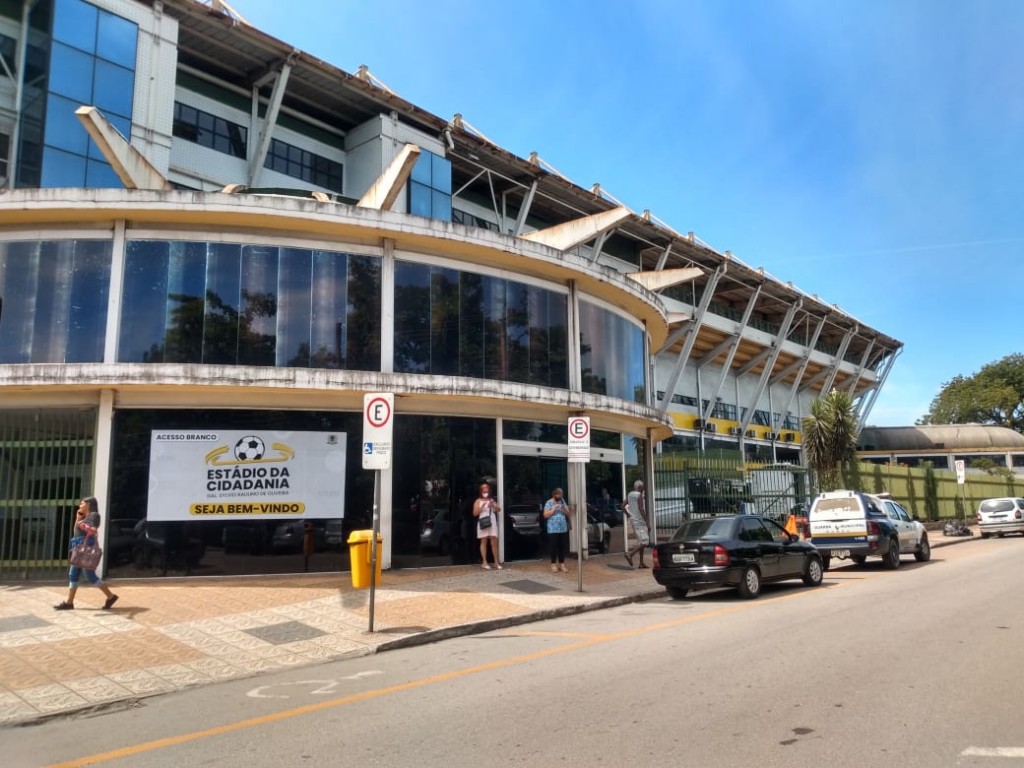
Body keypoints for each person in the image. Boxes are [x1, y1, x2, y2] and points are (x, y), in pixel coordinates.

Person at [54, 497, 119, 610]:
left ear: (89, 504)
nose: (80, 504)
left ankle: (111, 596)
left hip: (85, 548)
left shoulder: (94, 515)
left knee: (90, 576)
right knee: (73, 574)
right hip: (78, 547)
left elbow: (93, 529)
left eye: (83, 503)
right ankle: (69, 602)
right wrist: (78, 518)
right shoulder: (84, 516)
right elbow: (76, 529)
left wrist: (85, 526)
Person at [473, 481, 502, 570]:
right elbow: (474, 513)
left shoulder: (491, 500)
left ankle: (496, 562)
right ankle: (484, 562)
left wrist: (492, 504)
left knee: (494, 542)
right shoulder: (478, 500)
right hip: (483, 521)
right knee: (484, 541)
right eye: (483, 488)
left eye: (487, 488)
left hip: (492, 521)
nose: (485, 489)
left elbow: (499, 509)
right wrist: (482, 507)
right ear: (481, 490)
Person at [622, 480, 650, 568]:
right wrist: (647, 522)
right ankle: (630, 554)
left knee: (641, 542)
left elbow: (622, 506)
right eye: (642, 487)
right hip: (639, 522)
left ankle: (641, 563)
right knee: (645, 541)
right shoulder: (638, 495)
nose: (643, 489)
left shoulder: (630, 495)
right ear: (639, 487)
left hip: (633, 521)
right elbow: (641, 509)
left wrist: (629, 515)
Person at [543, 487, 572, 572]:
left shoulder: (562, 501)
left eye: (561, 495)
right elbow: (545, 515)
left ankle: (562, 564)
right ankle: (553, 564)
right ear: (554, 494)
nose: (560, 497)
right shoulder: (549, 502)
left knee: (562, 546)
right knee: (553, 546)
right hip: (553, 528)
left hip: (562, 528)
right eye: (558, 495)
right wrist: (554, 508)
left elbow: (568, 513)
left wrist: (563, 508)